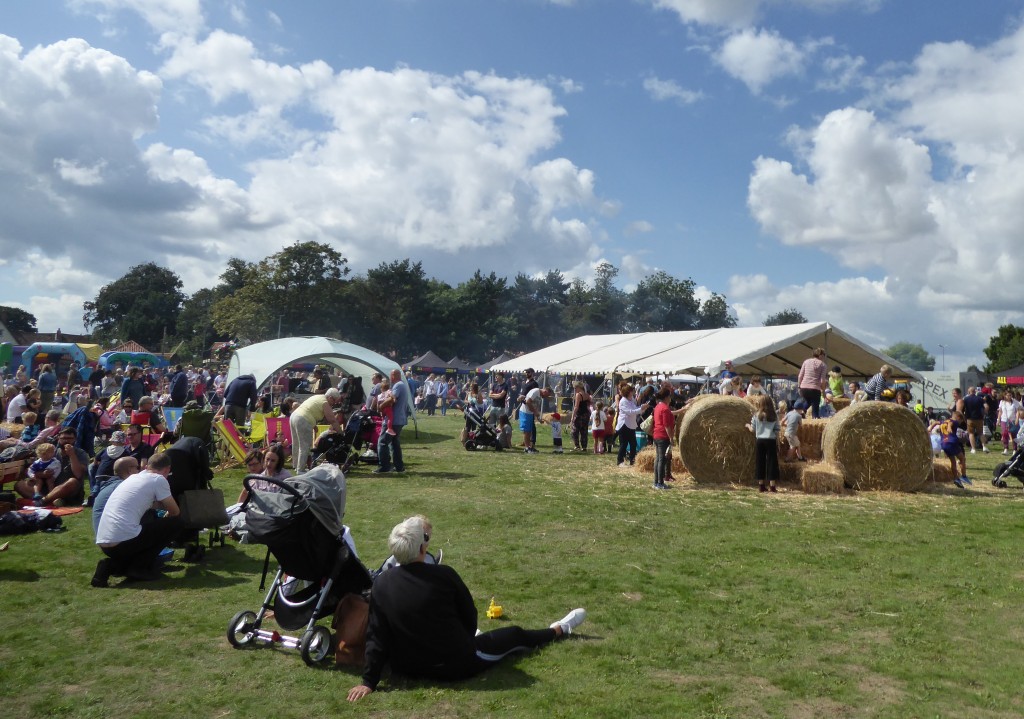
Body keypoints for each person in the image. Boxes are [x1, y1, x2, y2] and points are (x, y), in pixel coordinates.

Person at [347, 516, 586, 702]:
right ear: (422, 548)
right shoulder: (444, 575)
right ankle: (559, 629)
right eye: (427, 538)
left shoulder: (381, 583)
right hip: (453, 665)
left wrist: (369, 681)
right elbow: (470, 618)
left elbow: (377, 635)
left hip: (407, 667)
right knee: (513, 635)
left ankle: (557, 629)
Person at [91, 452, 183, 587]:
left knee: (146, 531)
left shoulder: (133, 478)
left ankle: (110, 567)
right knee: (176, 524)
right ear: (167, 470)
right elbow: (175, 512)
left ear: (147, 466)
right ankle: (139, 567)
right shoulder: (158, 479)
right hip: (124, 542)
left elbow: (150, 504)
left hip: (105, 542)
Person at [14, 426, 89, 506]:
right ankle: (50, 500)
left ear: (74, 439)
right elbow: (33, 468)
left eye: (70, 438)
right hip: (46, 488)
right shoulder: (51, 451)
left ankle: (43, 501)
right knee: (19, 485)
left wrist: (72, 455)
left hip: (66, 490)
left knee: (72, 481)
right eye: (63, 438)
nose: (66, 441)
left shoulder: (81, 453)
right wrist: (42, 474)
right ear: (58, 438)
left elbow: (78, 474)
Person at [290, 388, 344, 472]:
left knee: (296, 443)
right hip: (303, 419)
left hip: (294, 416)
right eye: (334, 401)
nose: (333, 404)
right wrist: (341, 433)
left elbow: (310, 409)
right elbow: (332, 420)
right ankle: (300, 470)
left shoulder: (318, 397)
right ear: (330, 397)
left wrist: (314, 425)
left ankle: (296, 466)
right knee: (304, 446)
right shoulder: (325, 402)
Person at [375, 369, 410, 474]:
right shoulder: (403, 385)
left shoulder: (398, 385)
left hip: (393, 419)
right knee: (395, 443)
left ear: (394, 375)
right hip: (400, 419)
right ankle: (399, 467)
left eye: (391, 376)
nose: (390, 378)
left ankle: (385, 466)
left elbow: (392, 399)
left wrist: (381, 406)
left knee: (382, 442)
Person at [651, 386, 683, 490]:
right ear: (666, 397)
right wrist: (670, 438)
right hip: (662, 436)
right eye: (669, 396)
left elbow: (670, 414)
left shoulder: (658, 407)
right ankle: (660, 483)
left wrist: (682, 410)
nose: (670, 398)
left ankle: (656, 482)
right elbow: (666, 426)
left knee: (658, 459)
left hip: (656, 435)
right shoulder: (664, 408)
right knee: (662, 460)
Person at [747, 394, 781, 493]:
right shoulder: (774, 416)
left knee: (760, 462)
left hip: (760, 441)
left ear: (760, 404)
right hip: (770, 440)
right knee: (772, 463)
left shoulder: (756, 415)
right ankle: (772, 486)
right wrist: (778, 442)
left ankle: (761, 485)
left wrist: (748, 425)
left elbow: (752, 429)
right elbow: (777, 430)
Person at [615, 382, 649, 468]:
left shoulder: (631, 400)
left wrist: (642, 408)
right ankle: (620, 461)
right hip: (624, 425)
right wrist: (641, 409)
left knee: (633, 444)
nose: (633, 392)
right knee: (624, 444)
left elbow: (635, 409)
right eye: (631, 391)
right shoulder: (623, 401)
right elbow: (630, 412)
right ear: (628, 392)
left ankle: (632, 461)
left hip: (631, 425)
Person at [937, 411, 971, 488]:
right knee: (962, 459)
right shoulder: (954, 421)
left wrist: (930, 428)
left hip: (944, 444)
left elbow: (935, 422)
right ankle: (964, 476)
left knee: (953, 461)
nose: (959, 423)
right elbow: (951, 423)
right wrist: (949, 427)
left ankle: (956, 478)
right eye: (960, 421)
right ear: (958, 418)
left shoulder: (944, 421)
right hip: (952, 442)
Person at [518, 385, 551, 454]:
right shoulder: (535, 391)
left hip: (530, 413)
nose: (545, 397)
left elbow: (535, 406)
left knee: (529, 431)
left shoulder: (539, 395)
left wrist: (538, 417)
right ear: (545, 391)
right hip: (525, 412)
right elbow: (528, 402)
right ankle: (527, 448)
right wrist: (535, 412)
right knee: (526, 431)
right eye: (546, 395)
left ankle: (529, 447)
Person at [797, 348, 828, 419]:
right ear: (820, 355)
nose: (824, 357)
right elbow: (822, 380)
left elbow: (800, 376)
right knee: (815, 407)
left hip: (804, 388)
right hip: (815, 388)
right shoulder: (823, 365)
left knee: (807, 402)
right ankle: (815, 418)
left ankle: (799, 413)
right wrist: (823, 392)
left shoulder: (806, 362)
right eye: (823, 355)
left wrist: (799, 386)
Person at [961, 386, 989, 454]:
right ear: (975, 391)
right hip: (979, 418)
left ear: (969, 392)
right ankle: (984, 446)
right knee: (980, 433)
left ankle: (973, 449)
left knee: (971, 433)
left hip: (970, 418)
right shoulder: (980, 398)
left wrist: (964, 417)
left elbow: (962, 409)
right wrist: (984, 413)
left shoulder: (966, 399)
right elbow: (986, 406)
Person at [569, 380, 591, 452]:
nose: (574, 389)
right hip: (586, 414)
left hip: (579, 414)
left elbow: (576, 407)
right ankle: (584, 446)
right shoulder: (587, 394)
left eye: (575, 388)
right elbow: (590, 403)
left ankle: (577, 445)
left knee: (574, 430)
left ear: (579, 387)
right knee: (584, 431)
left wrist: (572, 416)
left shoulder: (578, 395)